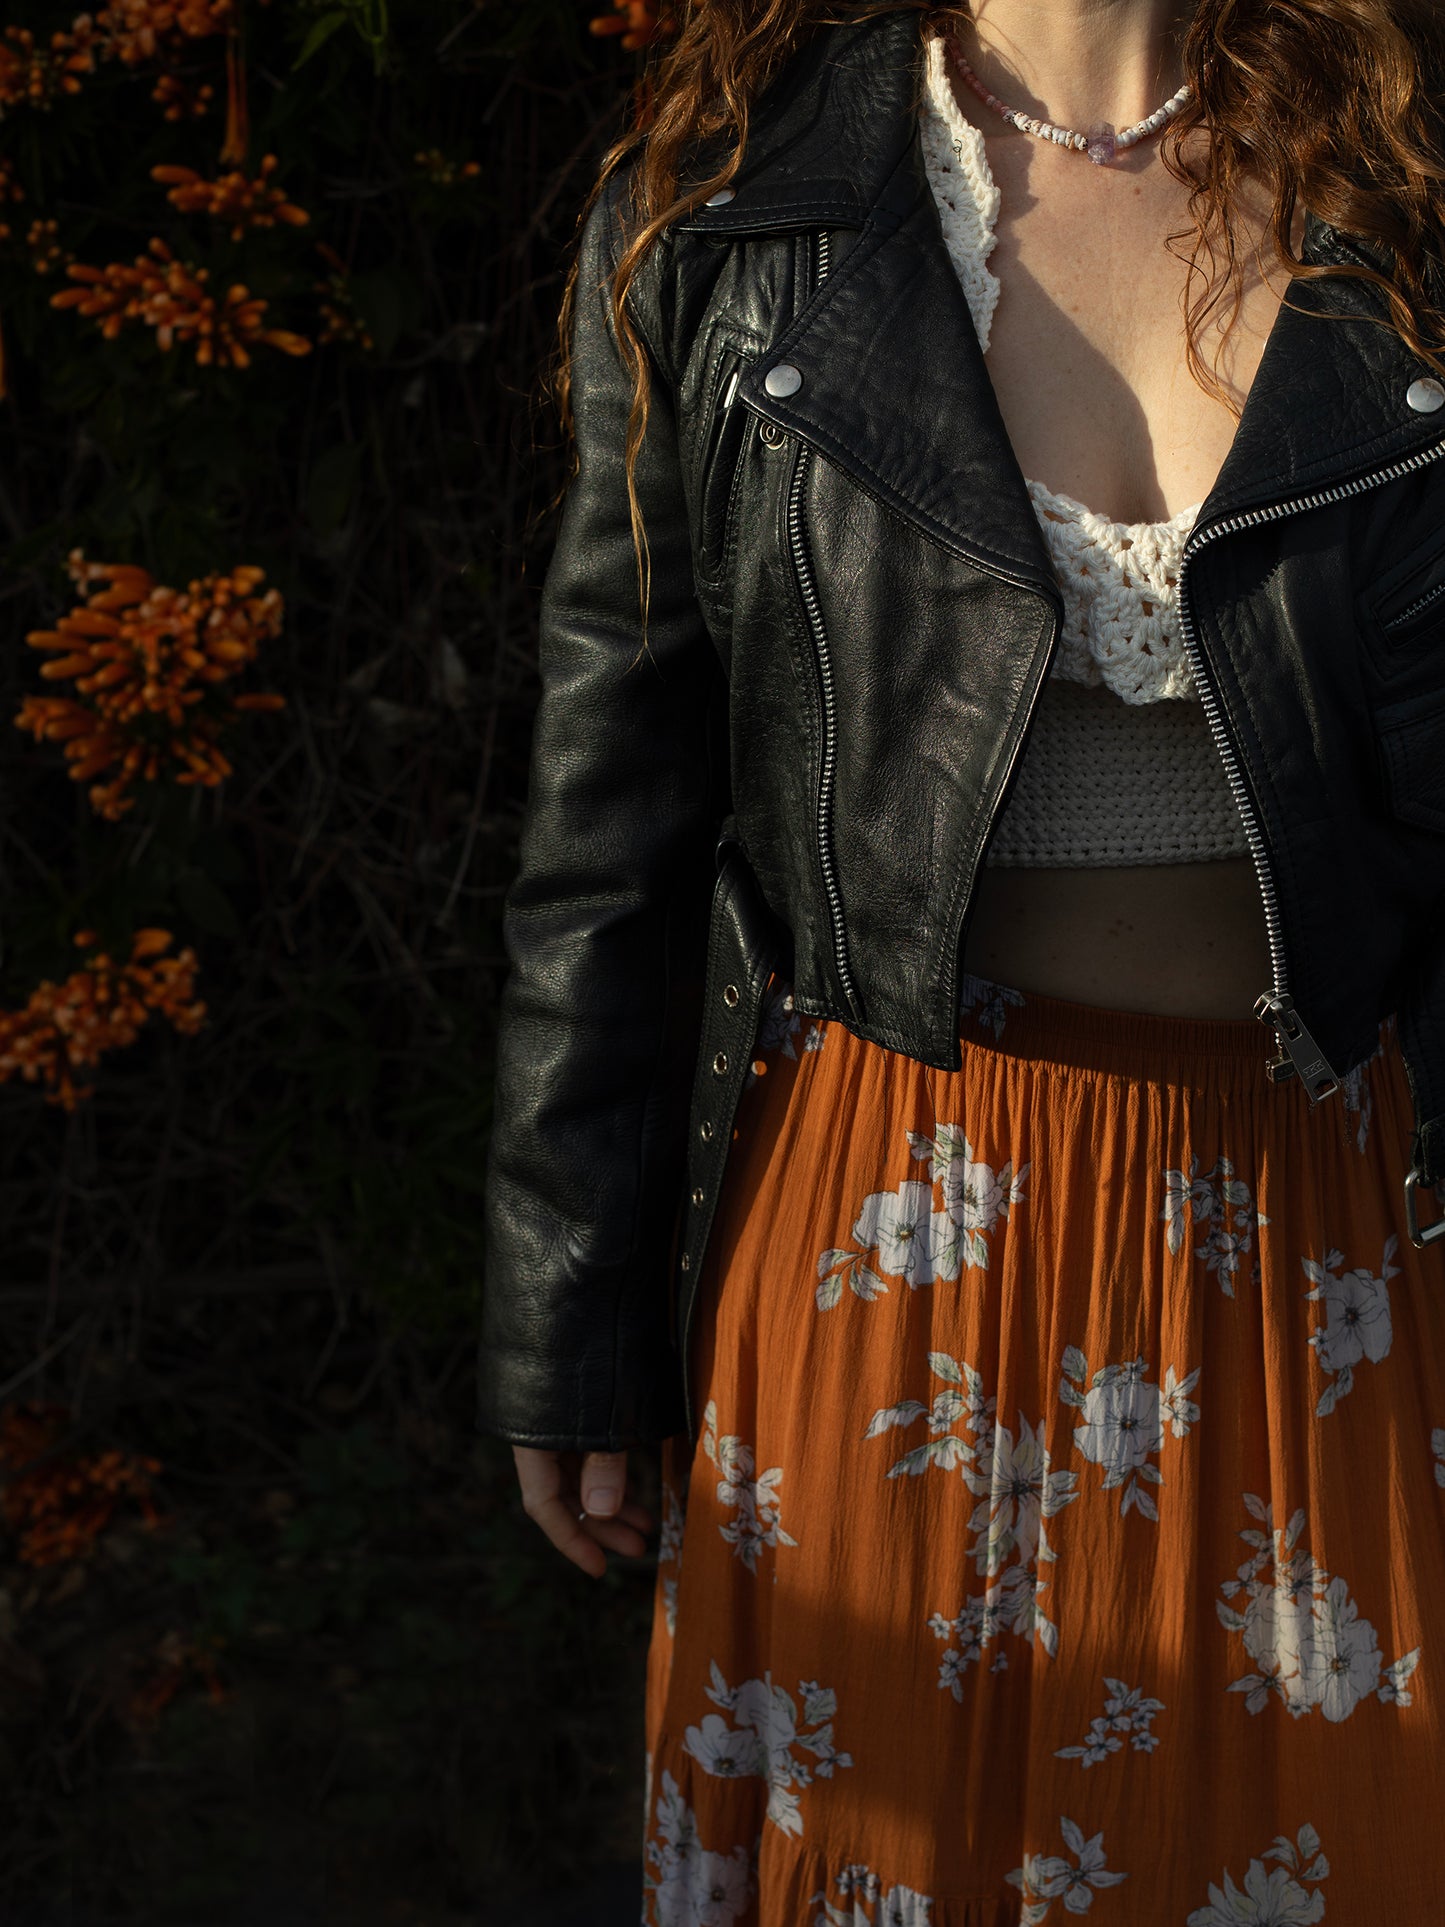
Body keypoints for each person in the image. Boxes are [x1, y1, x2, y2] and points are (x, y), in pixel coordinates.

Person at [482, 0, 1445, 1916]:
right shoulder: (731, 217)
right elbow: (613, 819)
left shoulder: (1406, 191)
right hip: (894, 1237)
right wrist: (564, 1309)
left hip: (1327, 1239)